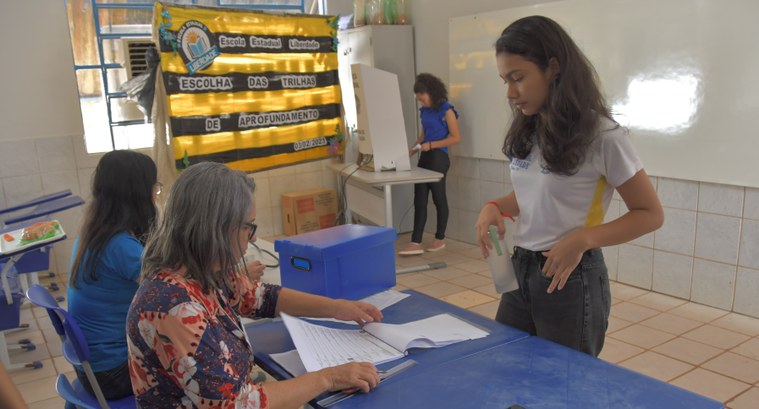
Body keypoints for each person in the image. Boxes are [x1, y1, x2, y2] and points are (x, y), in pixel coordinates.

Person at [474, 16, 663, 356]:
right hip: (521, 272)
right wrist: (495, 207)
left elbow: (650, 213)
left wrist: (584, 238)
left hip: (569, 279)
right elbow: (533, 196)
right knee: (509, 370)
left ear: (553, 68)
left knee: (563, 388)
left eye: (518, 78)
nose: (511, 93)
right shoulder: (530, 129)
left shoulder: (603, 135)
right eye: (505, 80)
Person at [126, 162, 382, 408]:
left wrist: (336, 309)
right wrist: (327, 378)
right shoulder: (172, 306)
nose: (255, 237)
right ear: (218, 228)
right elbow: (235, 404)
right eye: (249, 226)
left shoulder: (204, 270)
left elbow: (259, 297)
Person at [66, 150, 160, 399]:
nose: (156, 195)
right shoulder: (121, 246)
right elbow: (173, 292)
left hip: (93, 368)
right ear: (138, 195)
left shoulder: (94, 234)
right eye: (154, 188)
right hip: (112, 373)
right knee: (194, 362)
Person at [399, 73, 461, 255]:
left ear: (431, 92)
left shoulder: (446, 110)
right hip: (425, 156)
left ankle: (439, 239)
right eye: (418, 98)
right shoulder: (425, 111)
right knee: (419, 199)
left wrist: (431, 145)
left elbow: (455, 138)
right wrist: (412, 150)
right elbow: (423, 135)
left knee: (439, 198)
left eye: (422, 97)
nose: (420, 100)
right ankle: (415, 241)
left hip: (438, 158)